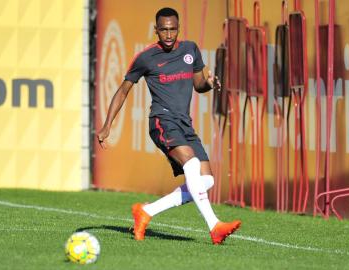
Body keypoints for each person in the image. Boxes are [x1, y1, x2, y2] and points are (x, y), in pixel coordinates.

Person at [97, 7, 241, 245]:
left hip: (184, 123)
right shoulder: (146, 57)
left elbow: (198, 85)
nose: (168, 34)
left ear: (178, 28)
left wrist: (207, 82)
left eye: (172, 29)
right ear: (156, 30)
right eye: (163, 30)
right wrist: (107, 125)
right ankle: (215, 226)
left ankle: (147, 211)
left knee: (206, 180)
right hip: (161, 121)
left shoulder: (190, 50)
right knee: (192, 164)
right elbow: (123, 90)